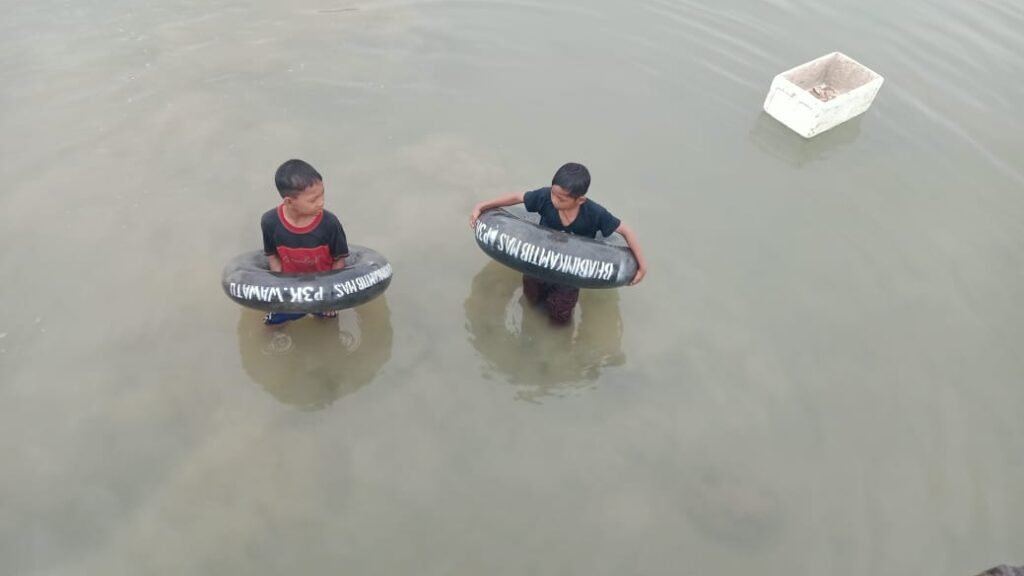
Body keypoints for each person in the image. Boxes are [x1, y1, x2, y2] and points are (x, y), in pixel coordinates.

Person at [468, 162, 648, 324]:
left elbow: (625, 230)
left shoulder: (594, 214)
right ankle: (531, 321)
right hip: (536, 262)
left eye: (561, 199)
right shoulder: (545, 198)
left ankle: (557, 341)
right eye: (554, 194)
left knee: (560, 314)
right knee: (530, 300)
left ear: (580, 200)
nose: (555, 200)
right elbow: (517, 197)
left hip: (570, 274)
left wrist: (642, 266)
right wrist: (482, 206)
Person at [261, 159, 349, 325]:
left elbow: (339, 260)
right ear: (289, 201)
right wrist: (283, 288)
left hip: (322, 290)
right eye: (313, 200)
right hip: (291, 290)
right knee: (273, 325)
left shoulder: (330, 223)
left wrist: (330, 296)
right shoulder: (270, 222)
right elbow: (272, 255)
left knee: (328, 324)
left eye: (323, 194)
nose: (321, 202)